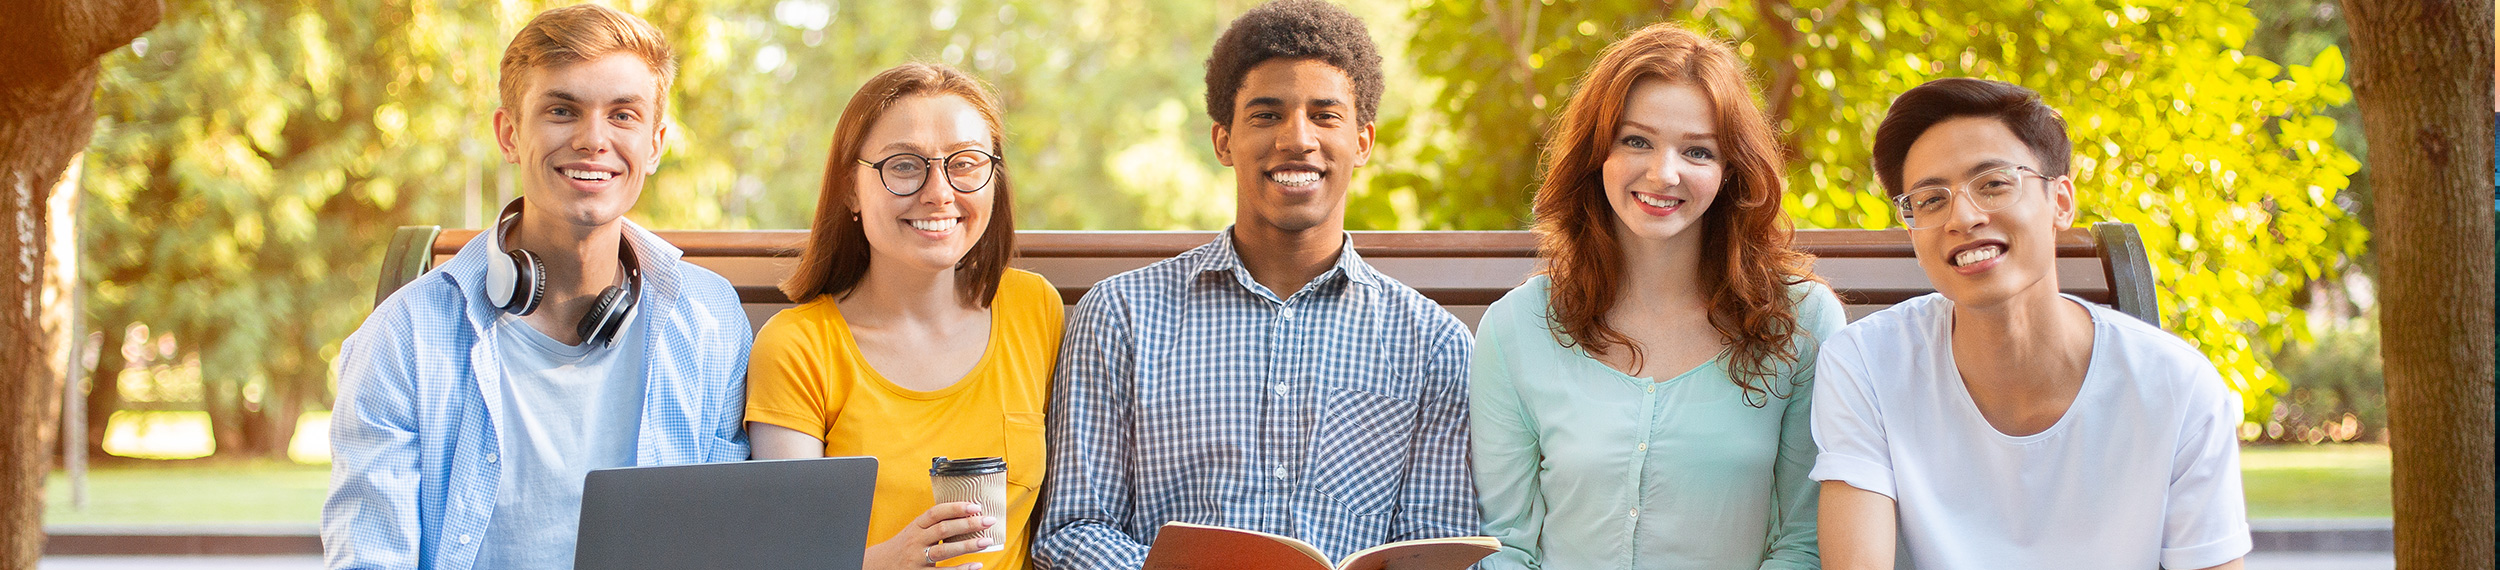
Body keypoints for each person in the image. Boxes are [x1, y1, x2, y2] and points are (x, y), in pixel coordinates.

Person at [1031, 0, 1478, 567]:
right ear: (1223, 141)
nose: (1297, 138)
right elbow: (1073, 529)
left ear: (1363, 142)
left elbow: (1436, 541)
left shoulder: (1432, 344)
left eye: (1325, 115)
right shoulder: (1122, 315)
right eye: (1267, 115)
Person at [323, 5, 751, 569]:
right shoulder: (402, 338)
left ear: (655, 143)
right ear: (509, 133)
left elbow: (732, 546)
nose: (593, 139)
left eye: (623, 115)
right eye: (561, 110)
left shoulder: (710, 318)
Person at [1811, 78, 2250, 570]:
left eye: (1994, 184)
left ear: (2061, 202)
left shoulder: (2176, 384)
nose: (1964, 216)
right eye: (1931, 200)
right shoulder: (1867, 364)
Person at [1468, 22, 1841, 570]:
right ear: (1598, 154)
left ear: (1730, 170)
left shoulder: (1801, 322)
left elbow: (1804, 544)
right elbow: (1507, 545)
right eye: (1636, 140)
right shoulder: (1516, 327)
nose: (1663, 173)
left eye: (1697, 151)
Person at [745, 62, 1060, 570]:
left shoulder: (1033, 310)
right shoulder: (799, 346)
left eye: (965, 163)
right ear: (851, 187)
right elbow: (792, 558)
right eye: (905, 166)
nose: (939, 192)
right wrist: (892, 560)